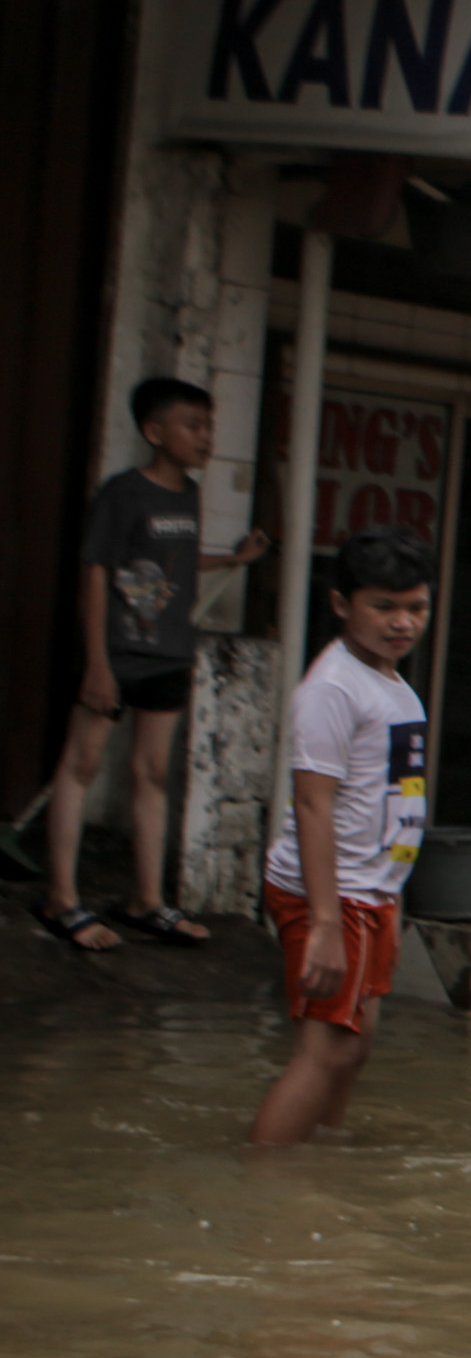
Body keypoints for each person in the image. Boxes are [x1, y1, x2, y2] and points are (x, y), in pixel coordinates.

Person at [37, 377, 269, 950]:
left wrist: (233, 559)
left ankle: (147, 901)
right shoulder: (122, 494)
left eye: (208, 426)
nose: (205, 437)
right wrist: (96, 661)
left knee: (154, 774)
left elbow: (180, 561)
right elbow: (95, 570)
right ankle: (61, 899)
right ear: (154, 431)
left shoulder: (187, 496)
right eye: (193, 425)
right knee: (82, 764)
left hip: (168, 653)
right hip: (115, 653)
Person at [249, 527, 433, 1147]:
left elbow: (397, 796)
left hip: (369, 895)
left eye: (416, 606)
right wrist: (326, 922)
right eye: (383, 606)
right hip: (335, 896)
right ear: (341, 604)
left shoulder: (393, 685)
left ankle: (317, 1154)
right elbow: (312, 804)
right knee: (325, 1050)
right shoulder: (333, 687)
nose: (402, 622)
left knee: (354, 1048)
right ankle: (267, 1184)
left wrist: (391, 900)